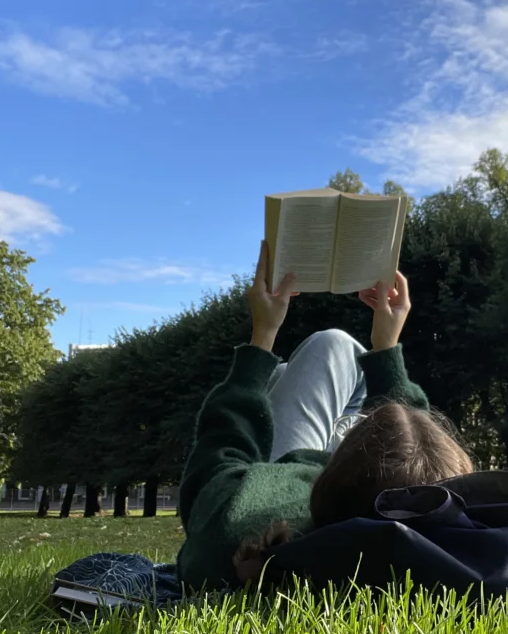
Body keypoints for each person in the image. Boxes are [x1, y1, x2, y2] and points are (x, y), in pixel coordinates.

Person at [177, 241, 473, 592]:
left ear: (327, 479)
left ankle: (282, 374)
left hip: (285, 474)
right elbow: (424, 474)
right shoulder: (448, 551)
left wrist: (263, 333)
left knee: (333, 346)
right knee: (315, 364)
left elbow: (222, 444)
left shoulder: (243, 515)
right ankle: (283, 374)